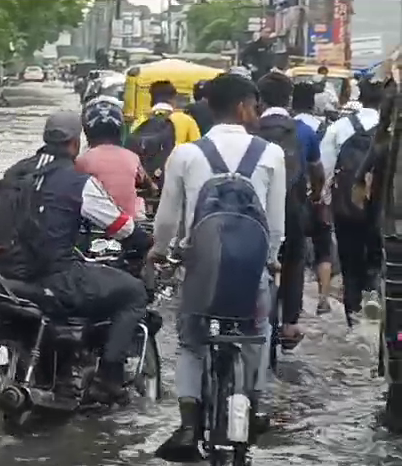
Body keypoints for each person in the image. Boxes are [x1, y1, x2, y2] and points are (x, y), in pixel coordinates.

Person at [152, 73, 286, 462]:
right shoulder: (271, 154)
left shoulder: (187, 154)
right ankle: (256, 404)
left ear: (209, 108)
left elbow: (166, 221)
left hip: (201, 270)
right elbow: (275, 225)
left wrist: (159, 252)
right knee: (258, 331)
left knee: (191, 342)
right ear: (245, 106)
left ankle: (189, 422)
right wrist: (272, 259)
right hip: (251, 271)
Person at [0, 111, 152, 398]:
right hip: (57, 278)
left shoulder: (17, 173)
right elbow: (120, 226)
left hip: (9, 273)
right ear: (74, 143)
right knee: (133, 293)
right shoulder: (77, 181)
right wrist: (145, 242)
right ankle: (109, 377)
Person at [255, 72, 324, 348]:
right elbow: (317, 171)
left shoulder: (252, 130)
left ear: (259, 100)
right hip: (293, 209)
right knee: (294, 261)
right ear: (290, 98)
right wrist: (316, 196)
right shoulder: (304, 131)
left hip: (257, 212)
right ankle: (290, 324)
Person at [320, 79, 384, 325]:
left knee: (350, 262)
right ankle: (372, 310)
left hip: (347, 208)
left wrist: (326, 204)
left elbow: (325, 171)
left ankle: (352, 318)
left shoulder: (339, 127)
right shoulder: (389, 132)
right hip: (381, 211)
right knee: (375, 261)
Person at [293, 82, 335, 315]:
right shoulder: (325, 127)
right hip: (319, 197)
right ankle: (323, 299)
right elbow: (325, 166)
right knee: (323, 249)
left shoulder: (291, 128)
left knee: (294, 250)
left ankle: (293, 300)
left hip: (295, 198)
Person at [77, 96, 150, 220]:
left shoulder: (82, 160)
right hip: (128, 224)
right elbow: (149, 186)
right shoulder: (132, 157)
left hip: (94, 222)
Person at [128, 80, 201, 189]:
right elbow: (197, 153)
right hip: (176, 182)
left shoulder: (140, 121)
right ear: (173, 99)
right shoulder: (186, 120)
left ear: (152, 99)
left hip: (147, 182)